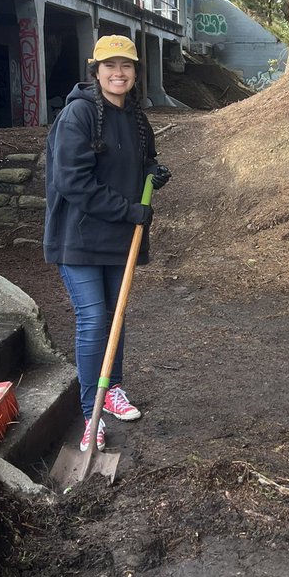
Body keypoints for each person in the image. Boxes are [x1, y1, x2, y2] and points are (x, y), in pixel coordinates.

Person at [44, 35, 170, 453]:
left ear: (135, 72)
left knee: (115, 318)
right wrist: (128, 209)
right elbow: (73, 181)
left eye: (127, 66)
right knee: (95, 320)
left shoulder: (135, 117)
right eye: (110, 66)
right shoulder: (77, 115)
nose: (119, 73)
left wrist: (154, 171)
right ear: (95, 70)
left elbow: (142, 159)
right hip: (78, 238)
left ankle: (112, 390)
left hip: (119, 238)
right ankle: (90, 412)